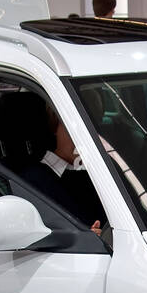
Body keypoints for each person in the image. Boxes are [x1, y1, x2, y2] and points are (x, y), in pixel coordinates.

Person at [17, 100, 105, 234]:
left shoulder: (100, 174)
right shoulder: (31, 181)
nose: (82, 138)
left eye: (91, 130)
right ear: (55, 124)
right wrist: (85, 238)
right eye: (74, 129)